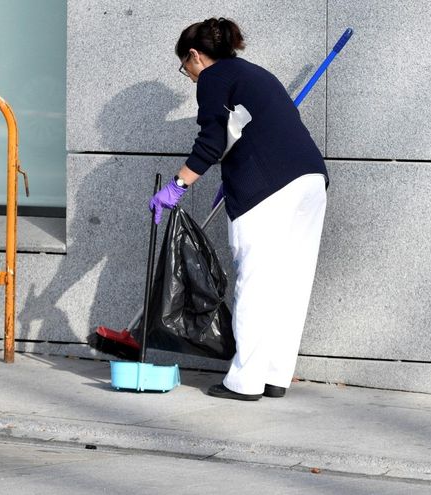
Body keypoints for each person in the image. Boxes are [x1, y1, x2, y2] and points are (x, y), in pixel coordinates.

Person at [149, 17, 328, 401]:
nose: (192, 77)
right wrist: (230, 176)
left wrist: (177, 186)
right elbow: (249, 131)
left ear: (195, 55)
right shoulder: (255, 74)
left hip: (267, 189)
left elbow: (212, 140)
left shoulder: (215, 78)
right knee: (290, 283)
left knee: (255, 281)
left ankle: (244, 381)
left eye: (187, 68)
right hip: (310, 181)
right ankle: (275, 376)